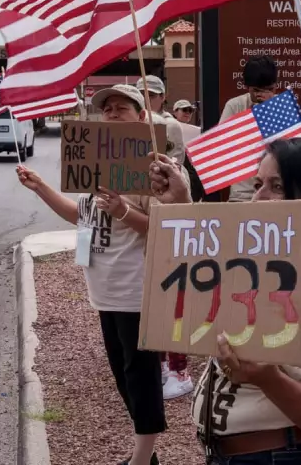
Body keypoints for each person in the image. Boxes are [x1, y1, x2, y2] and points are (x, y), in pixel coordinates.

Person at [150, 138, 301, 465]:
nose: (259, 198)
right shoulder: (272, 264)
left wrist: (267, 378)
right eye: (258, 184)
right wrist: (180, 203)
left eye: (277, 186)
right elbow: (211, 264)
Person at [17, 84, 165, 465]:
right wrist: (40, 188)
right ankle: (146, 456)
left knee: (140, 375)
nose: (113, 114)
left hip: (137, 287)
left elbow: (165, 227)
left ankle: (142, 459)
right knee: (121, 374)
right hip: (103, 287)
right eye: (107, 108)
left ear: (141, 115)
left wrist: (122, 211)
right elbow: (79, 216)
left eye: (122, 107)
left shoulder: (153, 167)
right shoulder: (95, 163)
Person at [135, 74, 194, 400]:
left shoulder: (168, 127)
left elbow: (176, 167)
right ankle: (161, 362)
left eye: (152, 94)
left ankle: (179, 369)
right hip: (151, 240)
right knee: (155, 303)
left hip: (175, 232)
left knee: (176, 305)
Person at [220, 55, 279, 202]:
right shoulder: (235, 106)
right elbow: (223, 144)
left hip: (276, 194)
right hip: (242, 194)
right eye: (257, 90)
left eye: (269, 89)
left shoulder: (283, 109)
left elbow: (292, 149)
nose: (263, 95)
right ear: (247, 87)